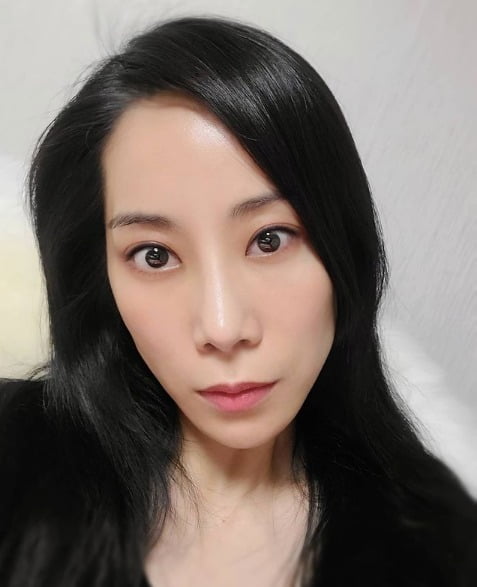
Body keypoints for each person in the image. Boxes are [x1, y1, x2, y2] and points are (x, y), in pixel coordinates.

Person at [0, 15, 476, 587]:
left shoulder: (437, 547)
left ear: (343, 249)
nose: (224, 329)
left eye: (269, 239)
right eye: (154, 255)